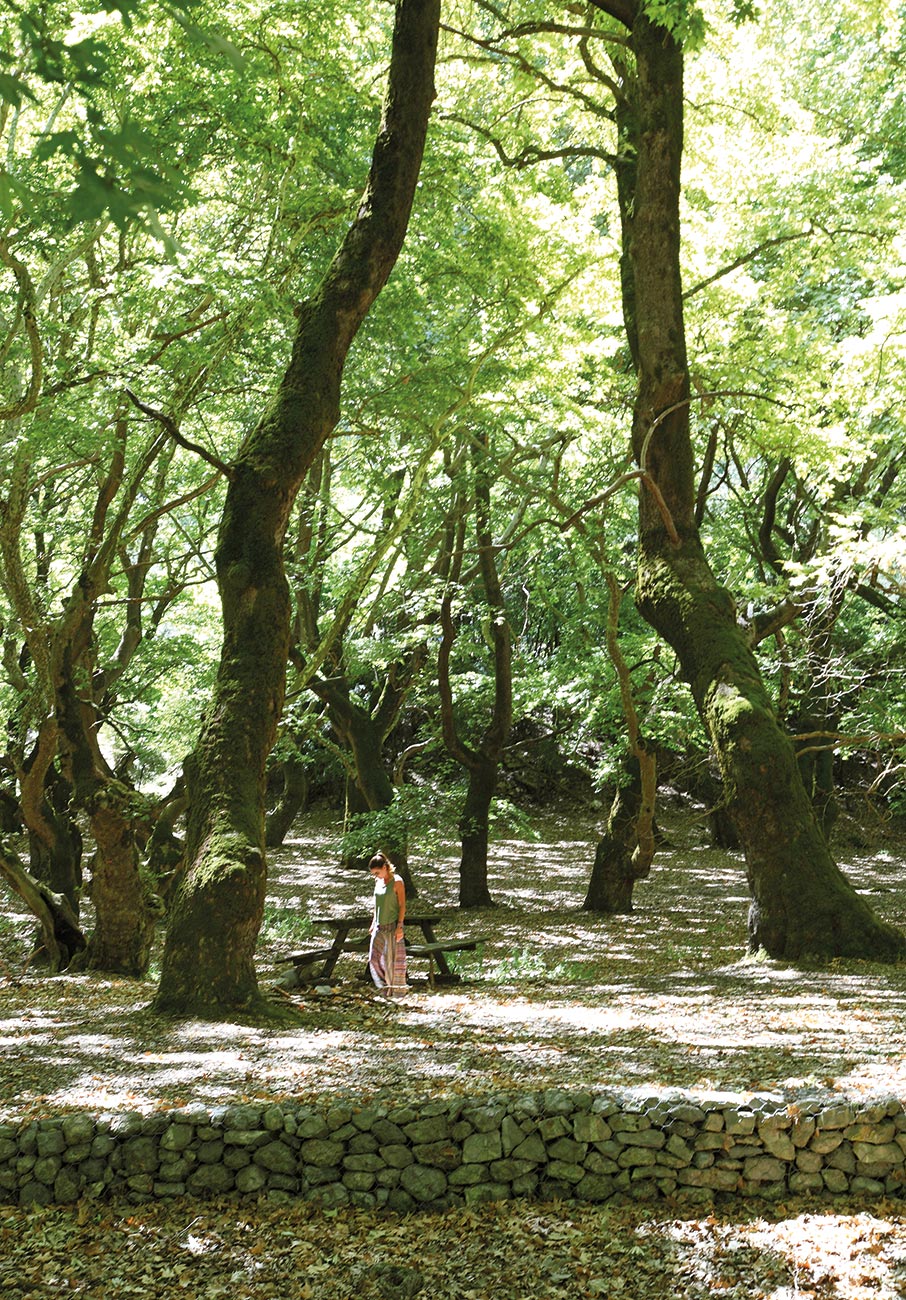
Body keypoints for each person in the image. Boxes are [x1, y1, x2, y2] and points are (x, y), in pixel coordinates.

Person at [367, 850, 408, 997]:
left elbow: (402, 905)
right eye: (373, 874)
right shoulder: (378, 882)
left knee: (392, 962)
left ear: (385, 867)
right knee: (374, 959)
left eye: (377, 872)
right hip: (379, 926)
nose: (376, 876)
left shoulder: (397, 882)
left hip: (392, 926)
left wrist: (400, 926)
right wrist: (373, 922)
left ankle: (396, 992)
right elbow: (377, 904)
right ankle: (384, 988)